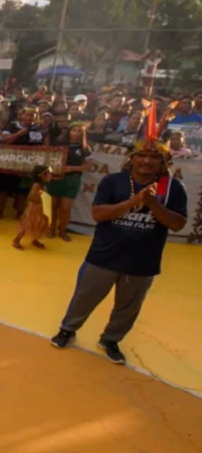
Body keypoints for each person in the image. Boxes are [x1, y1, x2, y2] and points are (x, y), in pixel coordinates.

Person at [50, 136, 187, 364]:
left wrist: (153, 204)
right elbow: (98, 214)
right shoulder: (113, 181)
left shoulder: (172, 188)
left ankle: (111, 339)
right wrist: (135, 201)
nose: (147, 161)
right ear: (131, 159)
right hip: (104, 256)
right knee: (85, 297)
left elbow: (177, 224)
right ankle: (67, 330)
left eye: (154, 157)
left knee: (128, 307)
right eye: (142, 155)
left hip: (143, 261)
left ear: (163, 162)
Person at [47, 123, 90, 241]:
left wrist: (72, 168)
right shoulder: (58, 144)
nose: (76, 133)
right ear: (69, 131)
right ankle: (51, 228)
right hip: (56, 178)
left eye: (79, 131)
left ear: (83, 133)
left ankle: (62, 230)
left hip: (73, 179)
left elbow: (88, 166)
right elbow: (48, 158)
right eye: (74, 130)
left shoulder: (85, 148)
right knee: (52, 206)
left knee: (65, 208)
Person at [13, 165, 52, 250]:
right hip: (34, 209)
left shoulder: (43, 185)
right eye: (49, 173)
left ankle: (35, 239)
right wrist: (42, 201)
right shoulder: (37, 185)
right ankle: (16, 240)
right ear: (43, 176)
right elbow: (30, 197)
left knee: (39, 224)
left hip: (41, 209)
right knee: (27, 225)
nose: (51, 175)